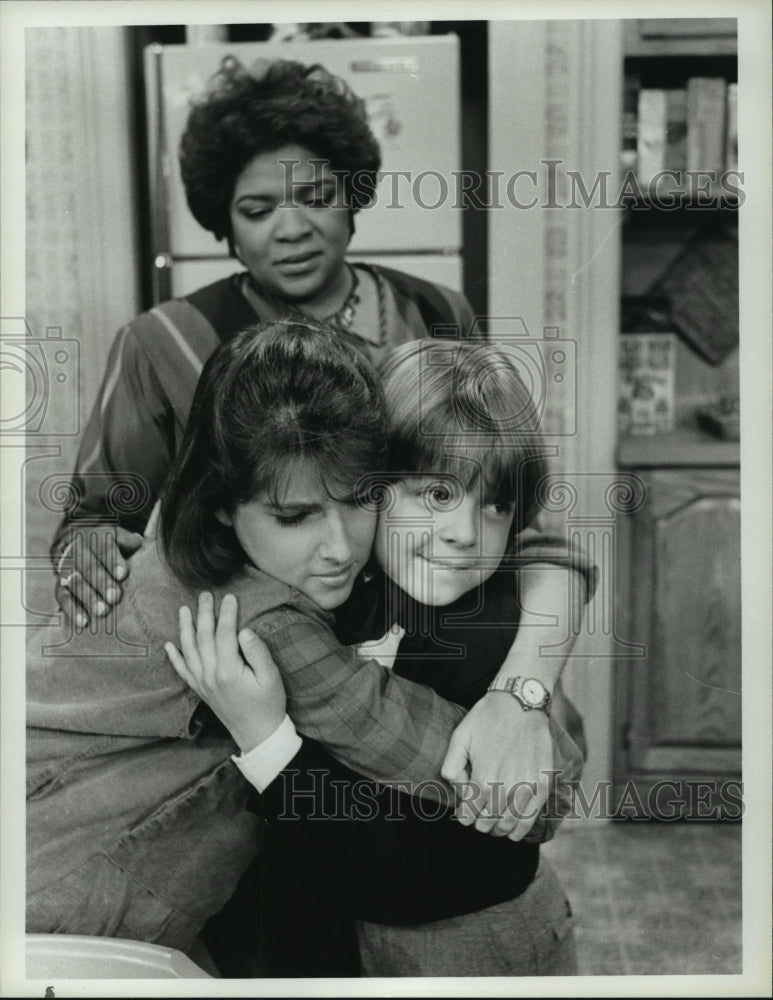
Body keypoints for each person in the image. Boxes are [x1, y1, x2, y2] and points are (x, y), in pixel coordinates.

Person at [27, 322, 585, 972]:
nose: (340, 547)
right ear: (223, 507)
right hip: (62, 909)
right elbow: (518, 791)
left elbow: (534, 534)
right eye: (295, 516)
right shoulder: (258, 612)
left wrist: (523, 692)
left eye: (356, 501)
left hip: (469, 936)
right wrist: (539, 733)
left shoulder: (413, 581)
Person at [50, 54, 588, 639]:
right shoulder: (161, 344)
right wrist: (87, 546)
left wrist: (526, 684)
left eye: (316, 197)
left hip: (438, 641)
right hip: (272, 657)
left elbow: (508, 504)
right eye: (257, 211)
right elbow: (96, 518)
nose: (292, 228)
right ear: (224, 225)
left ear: (352, 199)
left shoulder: (438, 312)